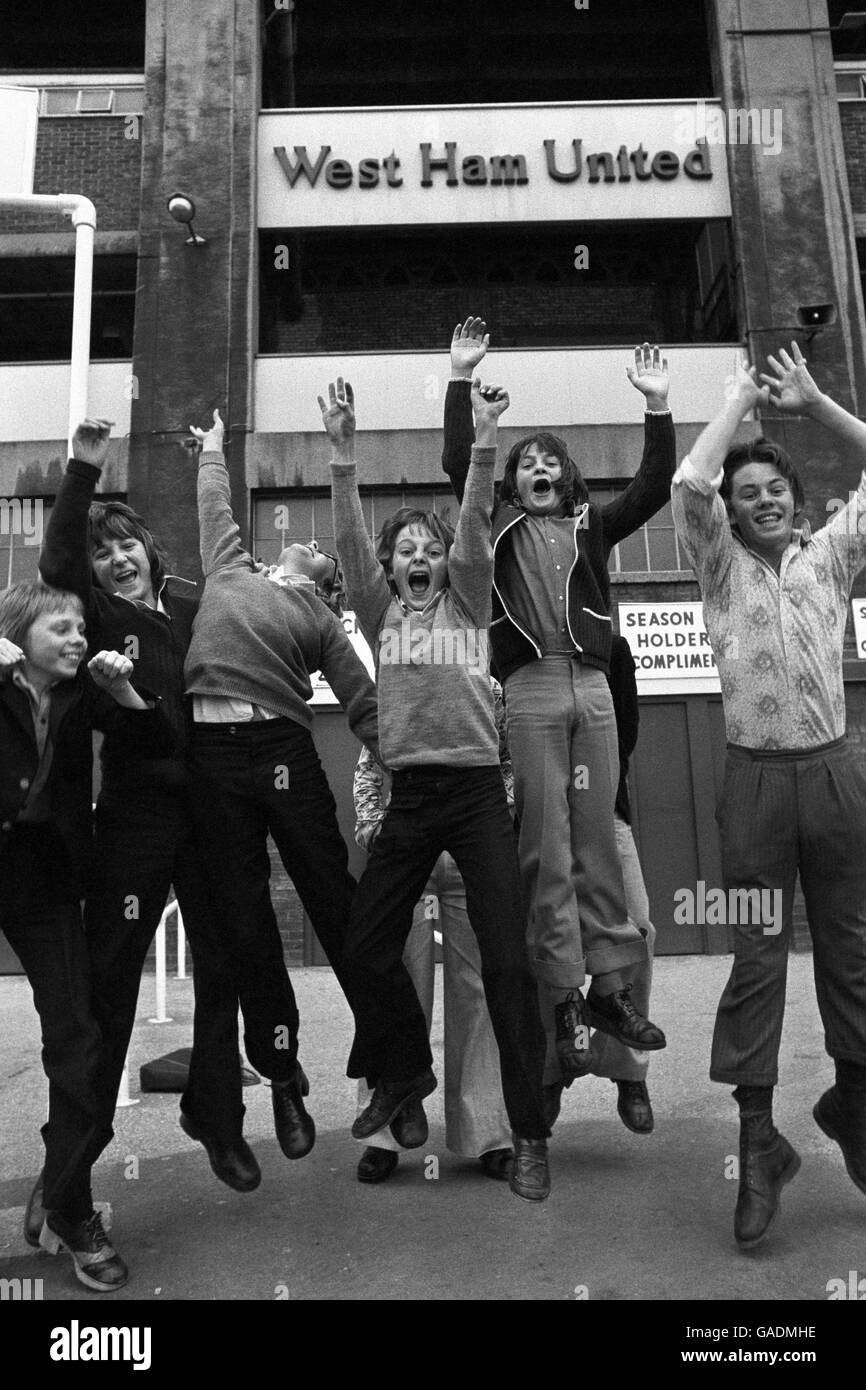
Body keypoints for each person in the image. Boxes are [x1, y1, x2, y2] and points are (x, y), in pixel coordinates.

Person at [325, 375, 552, 1202]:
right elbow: (350, 540)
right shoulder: (381, 614)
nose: (420, 555)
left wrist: (486, 436)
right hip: (411, 797)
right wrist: (344, 452)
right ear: (386, 570)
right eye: (405, 550)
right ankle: (406, 1073)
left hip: (475, 799)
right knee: (363, 946)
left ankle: (526, 1133)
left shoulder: (466, 601)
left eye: (429, 545)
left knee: (505, 964)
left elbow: (473, 525)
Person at [441, 319, 671, 1112]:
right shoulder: (497, 525)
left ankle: (610, 988)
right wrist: (464, 387)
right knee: (543, 849)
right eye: (526, 465)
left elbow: (653, 487)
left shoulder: (591, 527)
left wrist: (657, 407)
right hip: (532, 692)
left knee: (600, 839)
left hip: (594, 692)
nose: (539, 470)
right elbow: (453, 468)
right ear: (513, 482)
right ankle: (565, 992)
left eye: (550, 463)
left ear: (569, 480)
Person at [670, 343, 866, 1249]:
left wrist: (817, 404)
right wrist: (744, 400)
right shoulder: (718, 566)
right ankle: (758, 1144)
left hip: (834, 780)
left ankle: (854, 1106)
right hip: (750, 787)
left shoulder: (832, 556)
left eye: (775, 488)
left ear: (796, 498)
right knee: (755, 964)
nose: (763, 499)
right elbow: (690, 479)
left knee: (852, 955)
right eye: (748, 493)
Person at [38, 418, 255, 1206]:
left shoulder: (197, 603)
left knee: (224, 963)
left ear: (150, 548)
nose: (116, 559)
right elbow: (56, 561)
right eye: (103, 553)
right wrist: (84, 469)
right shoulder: (94, 617)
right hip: (133, 820)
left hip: (211, 815)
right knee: (111, 991)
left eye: (125, 545)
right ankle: (70, 1167)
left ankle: (216, 1115)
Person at [183, 408, 380, 1179]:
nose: (316, 546)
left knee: (332, 895)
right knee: (245, 921)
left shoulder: (318, 616)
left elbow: (361, 699)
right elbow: (214, 507)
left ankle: (390, 1063)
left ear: (325, 585)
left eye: (327, 555)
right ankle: (281, 1073)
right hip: (212, 757)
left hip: (281, 749)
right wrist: (211, 450)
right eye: (314, 544)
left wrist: (400, 757)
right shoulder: (230, 567)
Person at [1, 581, 172, 1290]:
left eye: (81, 628)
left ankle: (69, 1202)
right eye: (62, 629)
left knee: (80, 1041)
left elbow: (158, 746)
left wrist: (127, 693)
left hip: (45, 878)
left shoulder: (86, 691)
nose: (78, 638)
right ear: (18, 634)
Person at [351, 677, 514, 1183]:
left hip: (470, 858)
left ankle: (487, 1133)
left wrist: (499, 817)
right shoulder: (397, 682)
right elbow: (368, 768)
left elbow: (509, 762)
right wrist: (375, 828)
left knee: (478, 990)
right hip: (407, 856)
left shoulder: (489, 690)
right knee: (396, 981)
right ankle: (386, 1132)